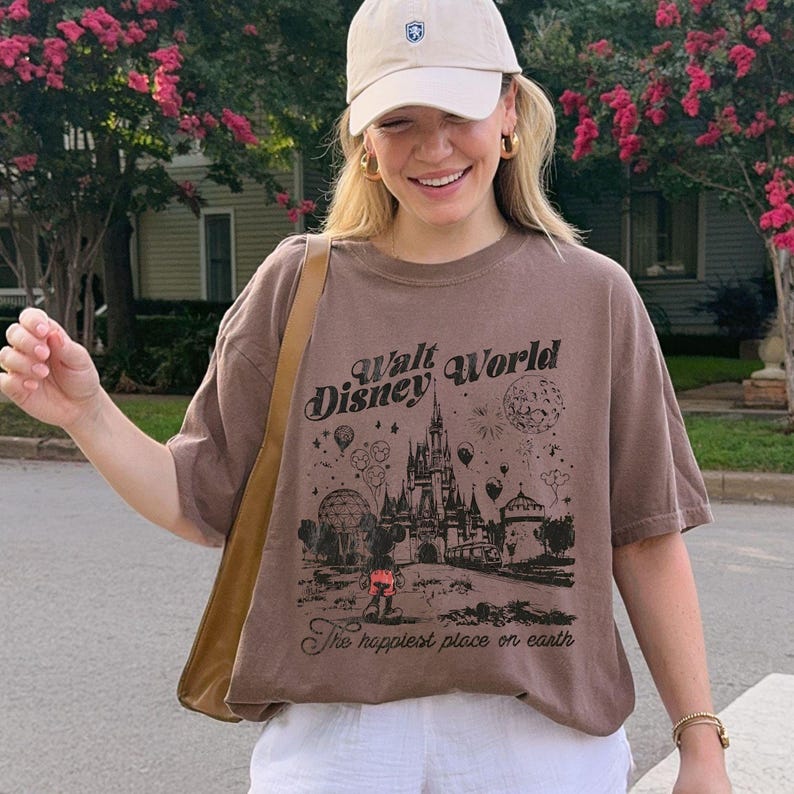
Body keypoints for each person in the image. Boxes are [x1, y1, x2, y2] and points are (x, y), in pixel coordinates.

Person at [0, 1, 732, 791]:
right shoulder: (298, 285)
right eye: (399, 120)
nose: (434, 146)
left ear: (509, 112)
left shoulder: (594, 297)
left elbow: (645, 535)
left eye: (458, 111)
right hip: (337, 746)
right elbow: (199, 500)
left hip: (540, 745)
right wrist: (86, 412)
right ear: (362, 142)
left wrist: (700, 743)